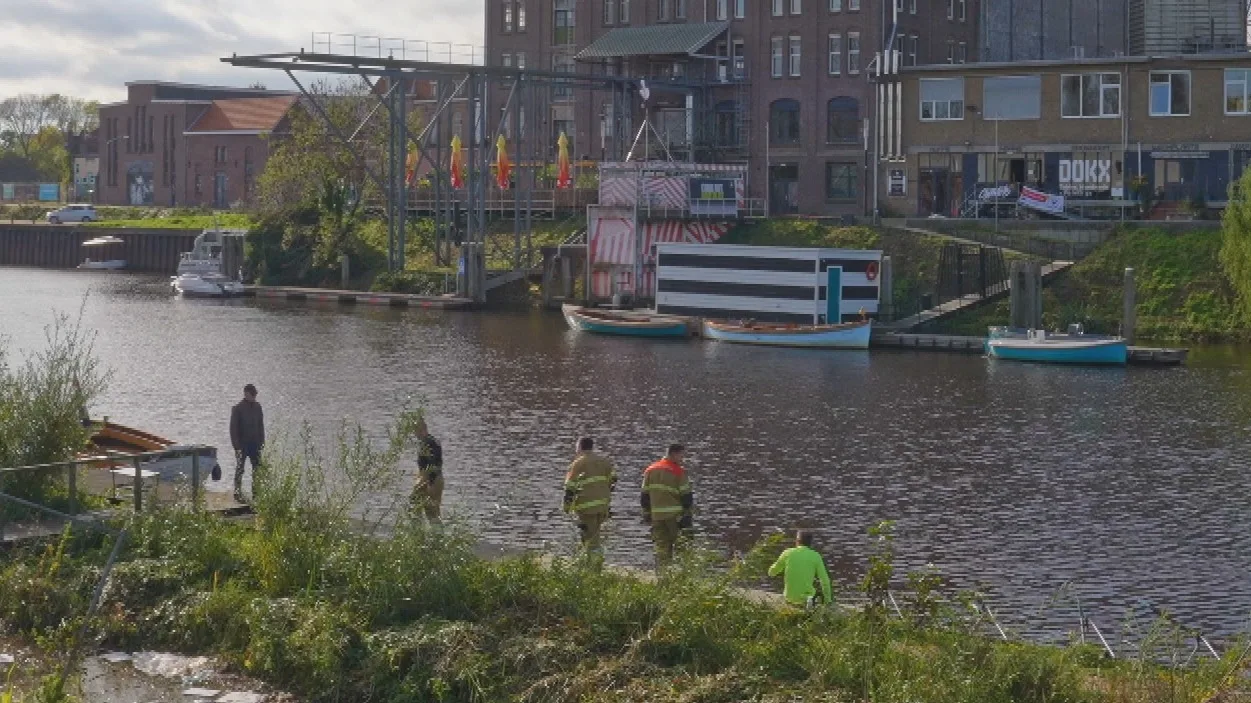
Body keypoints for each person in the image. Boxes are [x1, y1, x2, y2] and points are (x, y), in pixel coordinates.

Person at [563, 437, 617, 562]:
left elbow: (569, 488)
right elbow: (613, 480)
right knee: (596, 536)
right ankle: (593, 563)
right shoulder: (604, 461)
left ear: (580, 447)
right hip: (603, 507)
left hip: (586, 508)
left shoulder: (578, 463)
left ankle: (594, 567)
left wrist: (566, 507)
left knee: (590, 539)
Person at [640, 443, 694, 569]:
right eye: (681, 455)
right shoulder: (678, 471)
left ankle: (663, 580)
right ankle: (682, 579)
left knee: (661, 550)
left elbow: (644, 497)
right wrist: (687, 515)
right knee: (683, 548)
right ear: (674, 454)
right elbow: (686, 497)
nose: (682, 459)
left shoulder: (650, 470)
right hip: (675, 518)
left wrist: (647, 514)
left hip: (657, 517)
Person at [768, 530, 833, 609]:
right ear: (810, 543)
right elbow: (825, 581)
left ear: (797, 541)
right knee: (816, 594)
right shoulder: (816, 556)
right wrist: (827, 601)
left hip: (789, 599)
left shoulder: (787, 553)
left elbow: (771, 572)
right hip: (807, 600)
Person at [228, 384, 265, 503]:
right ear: (246, 394)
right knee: (240, 469)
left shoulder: (258, 407)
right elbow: (233, 430)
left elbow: (261, 426)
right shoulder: (237, 409)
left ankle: (256, 494)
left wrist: (262, 442)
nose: (254, 397)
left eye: (255, 395)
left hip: (255, 444)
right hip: (242, 445)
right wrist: (236, 447)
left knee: (257, 470)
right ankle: (237, 493)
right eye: (252, 395)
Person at [410, 418, 444, 523]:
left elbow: (431, 465)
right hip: (435, 479)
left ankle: (418, 533)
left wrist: (429, 484)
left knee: (422, 508)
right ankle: (434, 536)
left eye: (416, 429)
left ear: (423, 429)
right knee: (431, 512)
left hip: (431, 481)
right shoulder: (431, 441)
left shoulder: (428, 443)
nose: (414, 432)